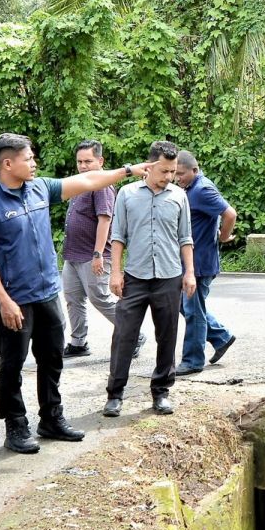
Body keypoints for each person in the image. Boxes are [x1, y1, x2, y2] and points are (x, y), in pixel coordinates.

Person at [0, 133, 153, 453]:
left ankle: (51, 418)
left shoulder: (40, 188)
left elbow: (89, 180)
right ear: (8, 163)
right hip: (15, 299)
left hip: (47, 293)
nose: (34, 163)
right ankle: (15, 425)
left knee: (52, 358)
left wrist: (128, 170)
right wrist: (4, 301)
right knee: (12, 364)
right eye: (28, 158)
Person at [102, 141, 196, 418]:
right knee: (123, 336)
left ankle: (161, 391)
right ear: (150, 165)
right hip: (135, 277)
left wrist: (189, 272)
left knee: (167, 336)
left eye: (173, 171)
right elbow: (117, 236)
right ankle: (115, 394)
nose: (169, 177)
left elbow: (185, 238)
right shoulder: (127, 194)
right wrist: (115, 272)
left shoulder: (179, 196)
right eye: (165, 171)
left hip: (168, 277)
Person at [60, 140, 145, 360]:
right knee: (72, 298)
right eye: (80, 161)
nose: (83, 165)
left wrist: (98, 253)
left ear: (100, 161)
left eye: (88, 161)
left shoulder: (102, 186)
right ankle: (78, 342)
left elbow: (105, 219)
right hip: (73, 253)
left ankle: (134, 334)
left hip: (93, 255)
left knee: (100, 298)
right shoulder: (80, 183)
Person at [174, 150, 237, 375]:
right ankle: (221, 337)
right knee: (186, 306)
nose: (177, 178)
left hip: (200, 263)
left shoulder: (202, 189)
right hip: (190, 261)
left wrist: (222, 237)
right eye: (174, 174)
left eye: (181, 174)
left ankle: (192, 360)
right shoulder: (190, 188)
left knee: (193, 311)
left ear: (195, 170)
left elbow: (230, 214)